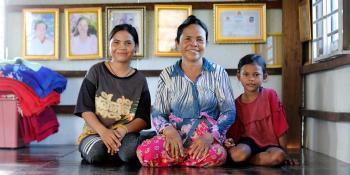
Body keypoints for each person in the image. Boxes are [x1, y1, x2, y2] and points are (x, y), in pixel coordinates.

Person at [137, 15, 236, 167]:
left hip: (206, 137)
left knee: (218, 155)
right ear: (177, 43)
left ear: (206, 43)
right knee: (145, 153)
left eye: (199, 39)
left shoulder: (218, 73)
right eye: (187, 39)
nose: (194, 44)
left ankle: (178, 159)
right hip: (174, 136)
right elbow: (158, 112)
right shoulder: (167, 74)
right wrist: (169, 131)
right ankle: (189, 159)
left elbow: (229, 111)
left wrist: (210, 136)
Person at [74, 24, 151, 164]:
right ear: (109, 45)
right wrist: (104, 132)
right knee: (97, 153)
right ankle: (112, 149)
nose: (122, 47)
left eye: (128, 43)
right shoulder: (96, 71)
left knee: (128, 153)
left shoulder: (140, 79)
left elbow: (143, 118)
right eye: (116, 42)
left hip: (125, 133)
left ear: (136, 47)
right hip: (95, 133)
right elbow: (85, 109)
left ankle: (127, 145)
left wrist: (122, 130)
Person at [225, 54, 295, 166]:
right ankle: (247, 158)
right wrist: (230, 143)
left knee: (278, 157)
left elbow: (280, 127)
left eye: (256, 74)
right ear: (239, 76)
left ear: (265, 76)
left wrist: (286, 153)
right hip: (247, 143)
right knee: (237, 155)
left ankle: (249, 160)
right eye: (246, 74)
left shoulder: (270, 95)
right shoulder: (235, 104)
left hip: (270, 144)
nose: (251, 79)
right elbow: (233, 135)